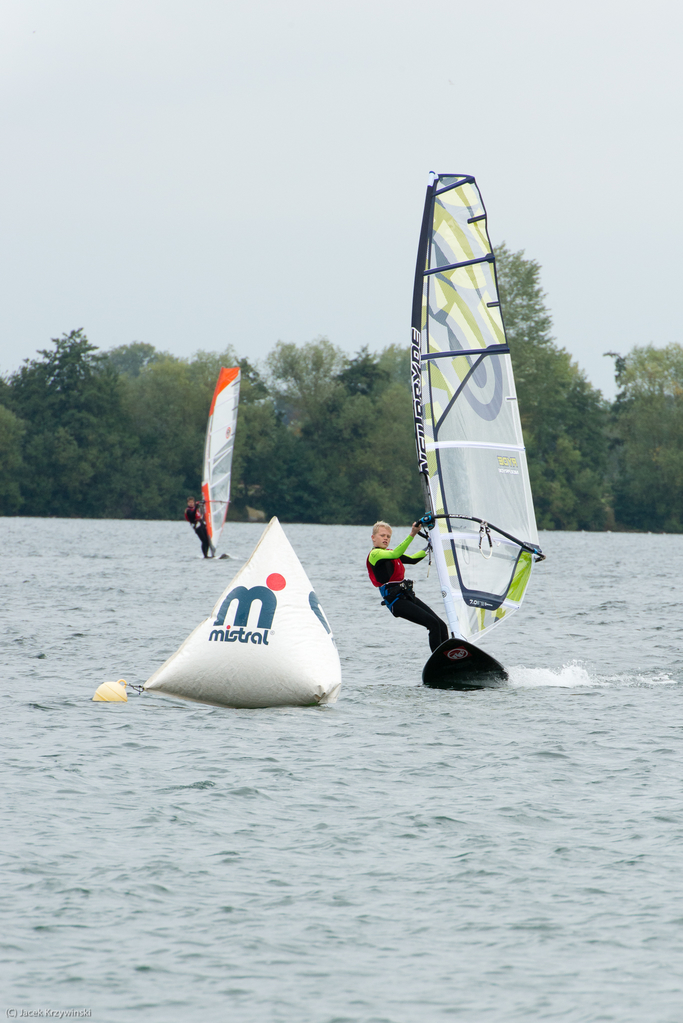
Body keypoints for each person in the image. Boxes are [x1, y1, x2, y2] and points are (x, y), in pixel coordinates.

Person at [367, 519, 448, 652]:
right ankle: (439, 661)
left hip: (406, 596)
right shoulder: (375, 554)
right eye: (382, 535)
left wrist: (430, 546)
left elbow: (413, 559)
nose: (386, 538)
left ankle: (450, 657)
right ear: (373, 538)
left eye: (388, 536)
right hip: (396, 602)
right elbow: (396, 553)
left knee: (441, 625)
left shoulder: (389, 554)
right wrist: (413, 533)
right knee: (432, 624)